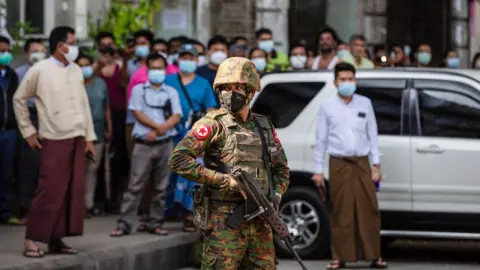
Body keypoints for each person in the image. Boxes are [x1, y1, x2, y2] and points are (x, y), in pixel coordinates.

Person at [168, 57, 290, 269]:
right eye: (224, 87)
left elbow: (281, 170)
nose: (229, 93)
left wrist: (276, 194)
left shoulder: (263, 126)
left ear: (250, 92)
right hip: (224, 223)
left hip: (261, 224)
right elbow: (178, 159)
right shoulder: (213, 124)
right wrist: (222, 180)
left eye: (237, 87)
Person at [13, 26, 96, 258]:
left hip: (77, 136)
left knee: (70, 191)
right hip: (53, 137)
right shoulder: (40, 69)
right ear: (60, 46)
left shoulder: (77, 70)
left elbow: (84, 105)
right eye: (72, 42)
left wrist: (89, 137)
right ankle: (31, 239)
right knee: (49, 189)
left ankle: (56, 239)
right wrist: (29, 131)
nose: (75, 47)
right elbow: (19, 99)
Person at [312, 62, 387, 269]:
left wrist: (376, 165)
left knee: (369, 208)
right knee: (341, 210)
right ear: (335, 82)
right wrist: (318, 170)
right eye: (343, 79)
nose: (347, 83)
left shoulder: (365, 103)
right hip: (339, 163)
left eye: (350, 79)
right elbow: (320, 140)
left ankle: (374, 256)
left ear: (356, 80)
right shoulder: (327, 107)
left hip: (362, 163)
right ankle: (340, 257)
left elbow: (373, 136)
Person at [110, 53, 182, 237]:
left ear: (165, 70)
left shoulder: (171, 91)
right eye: (153, 68)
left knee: (161, 187)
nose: (157, 71)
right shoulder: (139, 90)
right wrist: (158, 127)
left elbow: (176, 115)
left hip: (165, 143)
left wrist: (160, 130)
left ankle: (155, 223)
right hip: (143, 143)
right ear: (147, 70)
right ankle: (124, 224)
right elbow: (137, 113)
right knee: (135, 185)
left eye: (160, 68)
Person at [164, 43, 218, 231]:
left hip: (194, 135)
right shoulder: (168, 80)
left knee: (193, 175)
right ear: (178, 60)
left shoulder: (203, 83)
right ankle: (166, 211)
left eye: (191, 58)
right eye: (184, 58)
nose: (187, 61)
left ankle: (190, 214)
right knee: (168, 174)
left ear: (196, 60)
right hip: (169, 133)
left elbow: (211, 110)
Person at [95, 31, 130, 212]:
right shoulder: (94, 68)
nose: (107, 51)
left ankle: (117, 199)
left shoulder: (119, 66)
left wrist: (123, 59)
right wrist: (99, 64)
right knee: (97, 159)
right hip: (97, 117)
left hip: (119, 115)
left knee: (119, 158)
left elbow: (124, 82)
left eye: (110, 46)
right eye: (103, 47)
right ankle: (99, 200)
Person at [14, 38, 46, 223]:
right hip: (27, 119)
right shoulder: (18, 74)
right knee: (27, 167)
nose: (38, 55)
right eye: (34, 51)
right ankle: (25, 209)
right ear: (26, 54)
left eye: (41, 51)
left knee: (45, 167)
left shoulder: (49, 73)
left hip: (46, 120)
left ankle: (43, 210)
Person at [76, 53, 112, 218]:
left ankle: (88, 205)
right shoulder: (75, 84)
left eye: (87, 64)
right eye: (80, 65)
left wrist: (109, 127)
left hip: (98, 132)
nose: (84, 68)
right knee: (79, 170)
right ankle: (77, 206)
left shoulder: (101, 84)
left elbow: (106, 108)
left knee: (93, 170)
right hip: (79, 133)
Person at [0, 35, 20, 225]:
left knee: (7, 174)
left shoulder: (12, 76)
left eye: (7, 51)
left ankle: (5, 213)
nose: (4, 54)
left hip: (10, 131)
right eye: (1, 51)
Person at [126, 30, 154, 160]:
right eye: (137, 44)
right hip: (133, 117)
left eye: (144, 43)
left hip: (154, 118)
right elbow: (123, 82)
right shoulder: (130, 64)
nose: (140, 46)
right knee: (135, 157)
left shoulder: (158, 66)